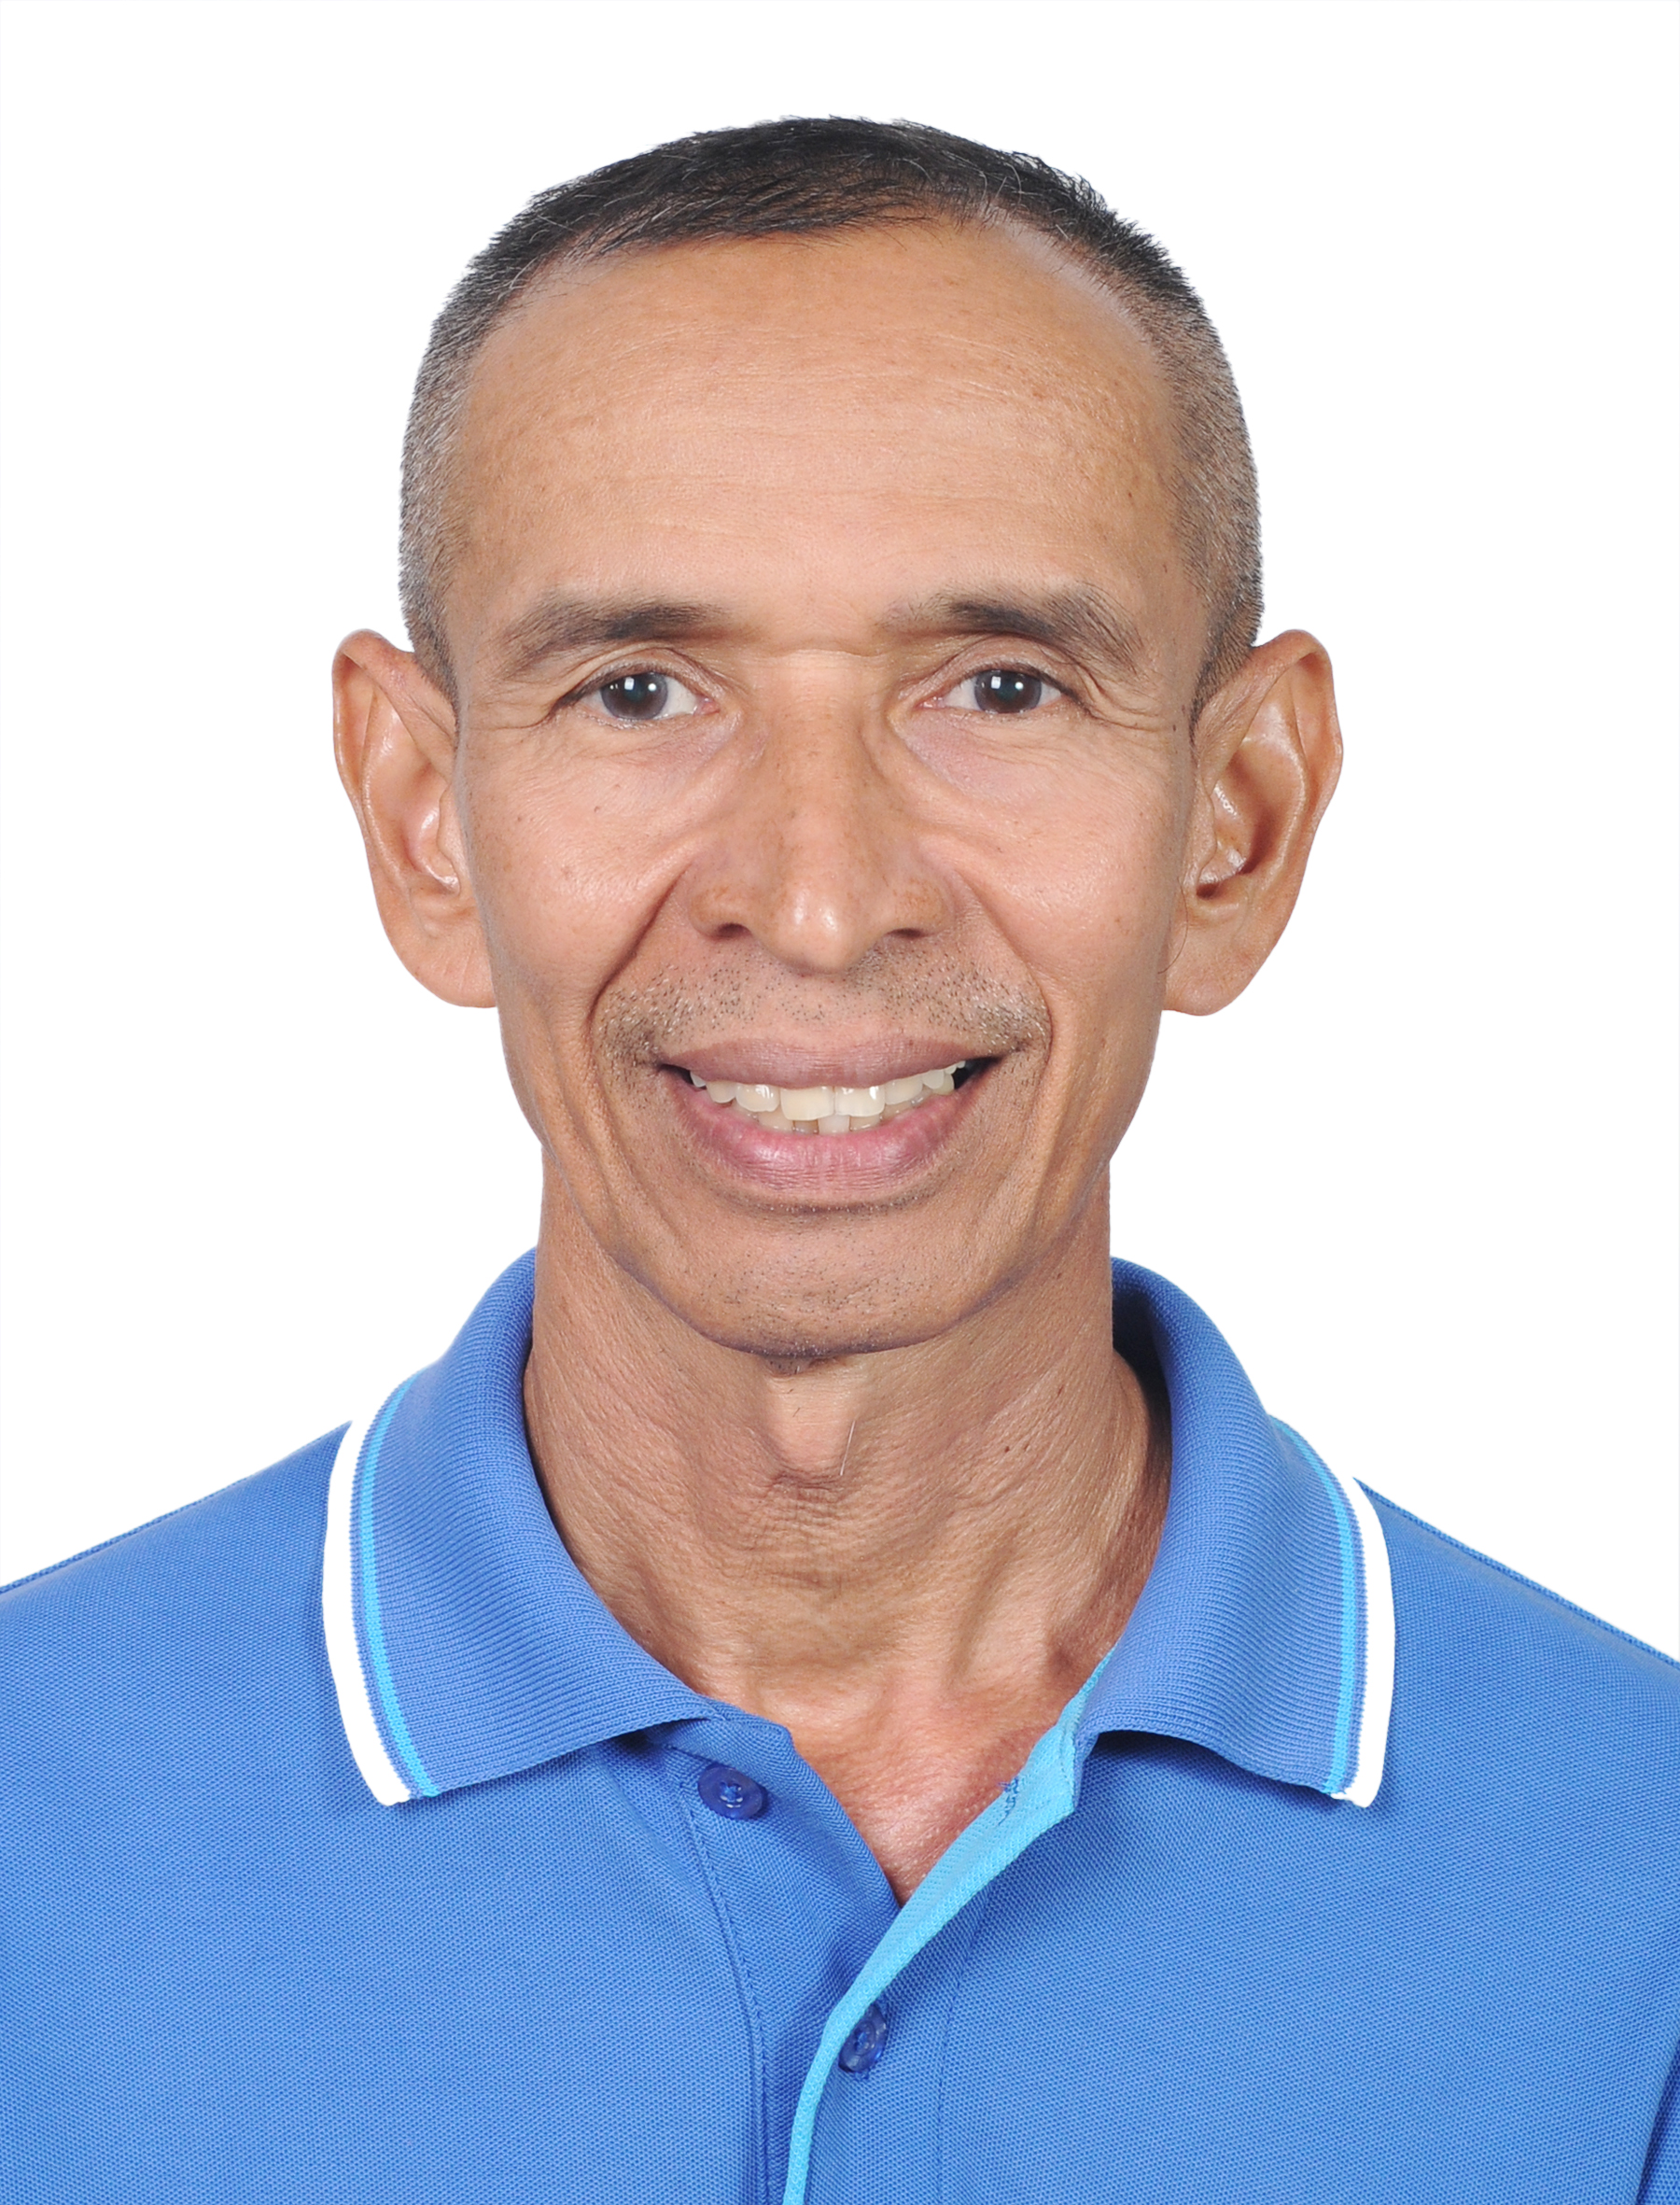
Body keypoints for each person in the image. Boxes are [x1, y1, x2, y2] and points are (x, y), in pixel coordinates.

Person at [4, 118, 1675, 2205]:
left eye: (999, 687)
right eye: (639, 690)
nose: (815, 900)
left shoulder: (1645, 1888)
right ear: (423, 813)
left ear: (1236, 821)